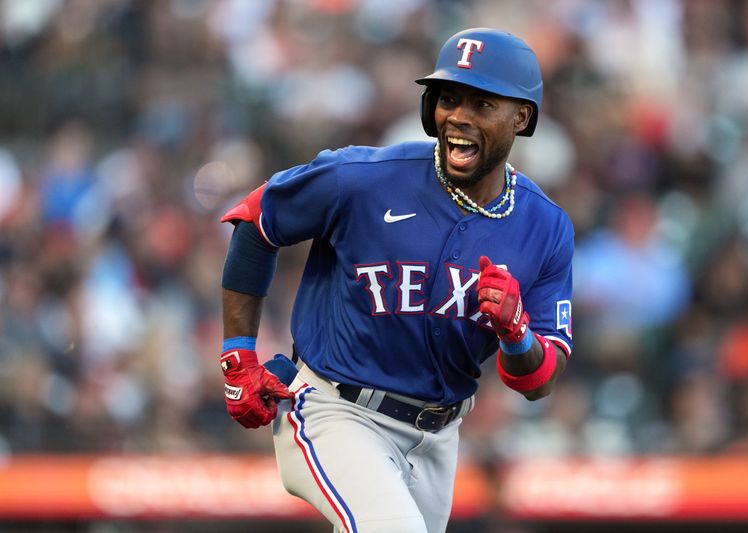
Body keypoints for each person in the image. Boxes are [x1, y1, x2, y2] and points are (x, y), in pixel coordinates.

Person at [218, 27, 574, 533]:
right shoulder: (364, 178)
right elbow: (256, 219)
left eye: (481, 104)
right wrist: (238, 351)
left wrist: (517, 334)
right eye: (449, 98)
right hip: (334, 409)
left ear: (521, 116)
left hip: (439, 437)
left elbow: (540, 381)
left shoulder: (545, 226)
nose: (459, 116)